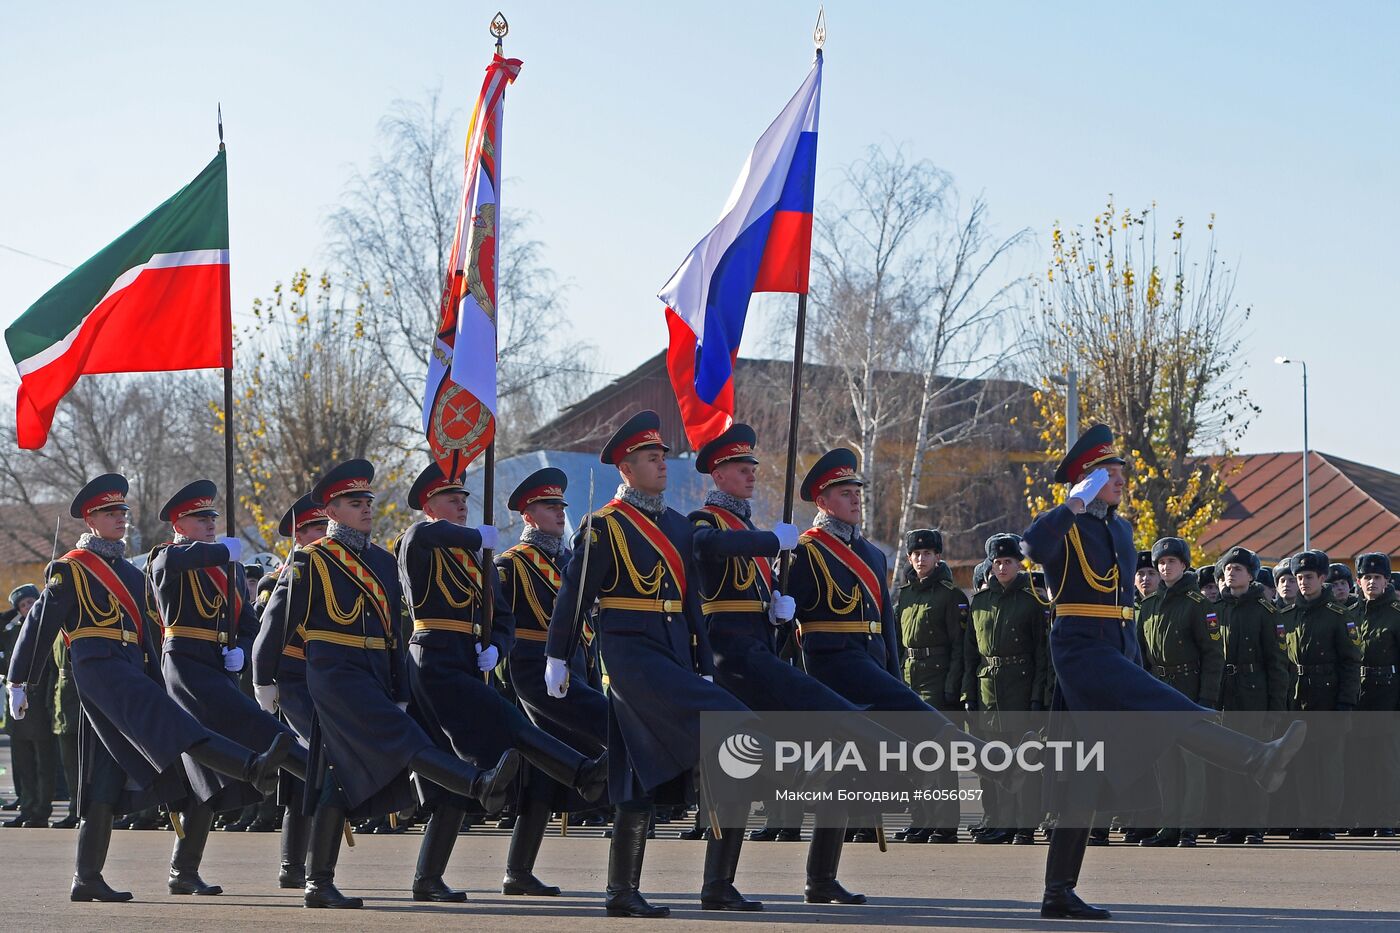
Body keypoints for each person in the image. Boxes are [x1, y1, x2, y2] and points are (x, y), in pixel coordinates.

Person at [1022, 426, 1306, 921]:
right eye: (1107, 475)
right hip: (1080, 651)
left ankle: (1057, 892)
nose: (1118, 480)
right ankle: (1254, 759)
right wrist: (1070, 505)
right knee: (1167, 710)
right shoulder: (1065, 526)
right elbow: (1030, 546)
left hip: (1117, 649)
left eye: (1119, 473)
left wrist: (1131, 653)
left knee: (1082, 778)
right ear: (1084, 482)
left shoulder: (1122, 529)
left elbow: (1124, 601)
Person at [5, 473, 293, 902]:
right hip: (95, 661)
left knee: (104, 774)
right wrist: (19, 678)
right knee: (169, 722)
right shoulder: (72, 567)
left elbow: (149, 633)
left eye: (122, 510)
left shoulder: (128, 570)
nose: (120, 517)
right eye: (109, 512)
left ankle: (86, 877)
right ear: (90, 518)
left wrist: (161, 675)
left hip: (128, 665)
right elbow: (40, 622)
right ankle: (251, 767)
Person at [251, 459, 519, 909]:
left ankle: (318, 881)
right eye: (355, 503)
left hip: (372, 671)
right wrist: (263, 677)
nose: (365, 509)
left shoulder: (380, 559)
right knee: (406, 739)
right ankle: (477, 784)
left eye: (367, 501)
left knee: (337, 777)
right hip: (333, 672)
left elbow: (394, 631)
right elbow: (276, 623)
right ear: (332, 510)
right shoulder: (311, 559)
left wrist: (398, 687)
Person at [545, 411, 755, 918]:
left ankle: (676, 887)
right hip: (629, 653)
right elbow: (575, 597)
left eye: (663, 457)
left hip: (671, 652)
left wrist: (703, 660)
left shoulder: (678, 526)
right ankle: (637, 889)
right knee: (739, 726)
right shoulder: (603, 525)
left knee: (635, 773)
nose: (662, 465)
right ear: (626, 468)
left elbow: (689, 602)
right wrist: (558, 654)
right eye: (651, 459)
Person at [688, 423, 885, 907]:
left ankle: (820, 878)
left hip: (760, 654)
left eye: (753, 466)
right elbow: (706, 551)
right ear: (718, 473)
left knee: (833, 762)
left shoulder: (754, 530)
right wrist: (772, 545)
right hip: (730, 659)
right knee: (737, 770)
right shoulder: (706, 521)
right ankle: (717, 884)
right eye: (741, 467)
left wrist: (777, 609)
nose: (751, 474)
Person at [398, 462, 607, 902]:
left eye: (464, 498)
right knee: (514, 729)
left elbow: (503, 617)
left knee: (461, 776)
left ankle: (428, 877)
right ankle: (582, 771)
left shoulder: (478, 558)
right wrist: (479, 538)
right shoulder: (422, 542)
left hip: (471, 663)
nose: (461, 503)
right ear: (428, 505)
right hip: (434, 660)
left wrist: (496, 643)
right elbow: (422, 535)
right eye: (450, 498)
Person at [148, 479, 309, 895]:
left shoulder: (229, 567)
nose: (208, 524)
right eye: (199, 519)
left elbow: (247, 626)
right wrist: (223, 552)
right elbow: (174, 567)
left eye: (211, 518)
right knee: (250, 726)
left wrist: (238, 647)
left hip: (220, 665)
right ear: (178, 524)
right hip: (184, 664)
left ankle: (183, 871)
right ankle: (294, 767)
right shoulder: (167, 557)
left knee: (205, 773)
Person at [497, 466, 611, 897]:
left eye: (561, 505)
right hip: (533, 668)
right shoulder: (511, 564)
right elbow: (499, 622)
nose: (559, 512)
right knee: (615, 730)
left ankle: (517, 872)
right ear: (528, 515)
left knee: (544, 774)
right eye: (548, 506)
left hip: (577, 663)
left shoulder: (570, 562)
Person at [254, 493, 328, 891]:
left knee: (308, 774)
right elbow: (268, 627)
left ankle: (301, 864)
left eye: (324, 526)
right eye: (315, 528)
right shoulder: (280, 576)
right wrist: (264, 679)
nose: (323, 534)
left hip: (321, 678)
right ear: (298, 535)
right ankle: (292, 864)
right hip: (292, 679)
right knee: (306, 769)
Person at [1135, 538, 1225, 848]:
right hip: (1159, 693)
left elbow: (1213, 655)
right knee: (1165, 763)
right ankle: (1169, 826)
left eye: (1172, 561)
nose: (1165, 566)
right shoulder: (1147, 607)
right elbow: (1141, 659)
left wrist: (1206, 700)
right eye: (1161, 562)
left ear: (1184, 566)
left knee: (1192, 763)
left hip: (1189, 692)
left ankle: (1189, 827)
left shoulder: (1199, 605)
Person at [962, 533, 1050, 846]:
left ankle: (1024, 825)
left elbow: (1042, 655)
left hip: (1020, 686)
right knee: (992, 759)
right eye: (997, 562)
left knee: (1023, 761)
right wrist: (968, 695)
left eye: (1008, 562)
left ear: (1019, 564)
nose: (1002, 568)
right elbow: (970, 652)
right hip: (988, 688)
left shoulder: (1031, 602)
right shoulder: (980, 602)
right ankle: (997, 820)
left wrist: (1038, 697)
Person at [1278, 549, 1361, 840]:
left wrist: (1345, 704)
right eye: (1298, 577)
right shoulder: (1287, 616)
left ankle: (1326, 821)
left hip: (1329, 700)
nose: (1302, 583)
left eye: (1308, 577)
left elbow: (1351, 663)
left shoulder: (1339, 616)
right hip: (1298, 700)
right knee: (1302, 764)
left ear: (1322, 578)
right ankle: (1307, 819)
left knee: (1328, 765)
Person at [1213, 546, 1289, 844]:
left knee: (1256, 762)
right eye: (1229, 568)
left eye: (1239, 569)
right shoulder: (1217, 610)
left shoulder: (1266, 612)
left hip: (1255, 696)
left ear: (1251, 575)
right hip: (1225, 695)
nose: (1232, 572)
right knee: (1230, 762)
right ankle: (1234, 825)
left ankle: (1255, 825)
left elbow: (1277, 665)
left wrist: (1275, 710)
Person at [895, 527, 965, 843]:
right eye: (916, 554)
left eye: (927, 554)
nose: (921, 559)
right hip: (910, 678)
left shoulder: (950, 595)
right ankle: (920, 819)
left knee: (941, 758)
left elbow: (959, 646)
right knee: (915, 758)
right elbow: (896, 642)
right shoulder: (904, 595)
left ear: (938, 557)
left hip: (938, 681)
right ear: (910, 557)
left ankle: (946, 823)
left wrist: (952, 687)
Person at [1341, 552, 1400, 835]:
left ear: (1387, 581)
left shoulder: (1396, 614)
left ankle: (1387, 818)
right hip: (1358, 694)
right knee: (1358, 760)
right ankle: (1362, 819)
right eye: (1366, 577)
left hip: (1388, 694)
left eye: (1377, 577)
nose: (1371, 582)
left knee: (1385, 762)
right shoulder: (1351, 613)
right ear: (1358, 581)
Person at [3, 583, 57, 828]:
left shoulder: (49, 627)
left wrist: (48, 703)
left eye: (31, 602)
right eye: (23, 605)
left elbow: (52, 670)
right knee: (23, 762)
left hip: (39, 703)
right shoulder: (15, 630)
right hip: (16, 704)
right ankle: (26, 806)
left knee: (43, 763)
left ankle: (41, 810)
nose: (28, 607)